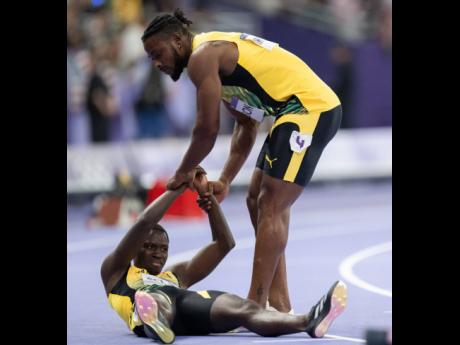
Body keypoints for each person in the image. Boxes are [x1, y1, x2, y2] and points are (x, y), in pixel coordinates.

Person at [141, 9, 343, 314]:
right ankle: (279, 304)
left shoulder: (202, 58)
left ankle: (254, 306)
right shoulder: (214, 61)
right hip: (289, 112)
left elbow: (206, 130)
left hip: (308, 108)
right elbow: (247, 126)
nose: (156, 62)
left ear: (179, 40)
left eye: (158, 52)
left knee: (272, 203)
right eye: (151, 57)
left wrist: (182, 172)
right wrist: (225, 179)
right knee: (255, 199)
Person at [101, 167, 348, 343]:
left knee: (245, 308)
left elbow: (224, 244)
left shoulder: (176, 275)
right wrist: (178, 187)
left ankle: (308, 321)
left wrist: (208, 199)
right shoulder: (117, 271)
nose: (158, 254)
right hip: (154, 304)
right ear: (135, 249)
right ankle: (155, 319)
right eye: (150, 247)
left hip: (187, 308)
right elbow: (145, 222)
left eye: (163, 249)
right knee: (156, 299)